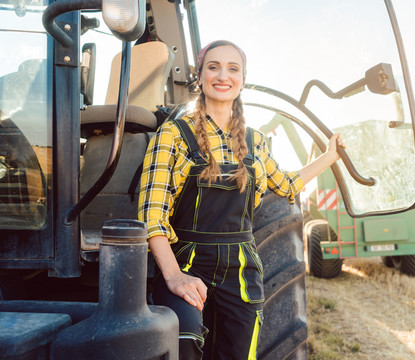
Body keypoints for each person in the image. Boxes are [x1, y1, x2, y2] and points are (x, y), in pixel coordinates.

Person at [138, 40, 345, 360]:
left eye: (233, 69)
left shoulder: (255, 141)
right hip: (189, 260)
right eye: (214, 67)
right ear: (200, 75)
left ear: (243, 80)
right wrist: (175, 276)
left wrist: (329, 157)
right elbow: (152, 216)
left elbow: (287, 186)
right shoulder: (174, 134)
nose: (223, 75)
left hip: (242, 268)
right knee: (186, 338)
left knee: (240, 352)